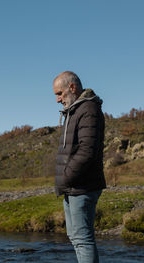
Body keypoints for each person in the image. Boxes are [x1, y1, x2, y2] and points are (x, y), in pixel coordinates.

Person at [52, 71, 106, 263]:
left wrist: (65, 178)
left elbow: (86, 151)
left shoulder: (88, 109)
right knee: (76, 238)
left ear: (72, 87)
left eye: (59, 93)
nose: (58, 99)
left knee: (82, 239)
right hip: (74, 186)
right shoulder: (75, 110)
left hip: (82, 186)